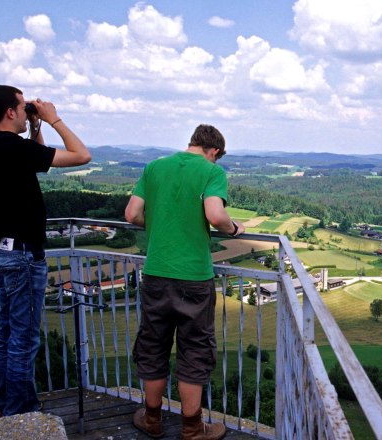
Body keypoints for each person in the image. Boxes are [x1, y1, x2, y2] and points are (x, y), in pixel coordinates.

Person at [0, 85, 91, 416]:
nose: (28, 110)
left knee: (7, 334)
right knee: (24, 340)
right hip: (24, 255)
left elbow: (37, 163)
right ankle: (20, 413)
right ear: (10, 112)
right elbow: (82, 155)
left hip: (4, 250)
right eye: (23, 106)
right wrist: (55, 119)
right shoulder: (12, 147)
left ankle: (2, 405)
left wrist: (36, 125)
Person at [125, 124, 244, 440]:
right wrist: (233, 229)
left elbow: (132, 213)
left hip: (156, 273)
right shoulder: (210, 171)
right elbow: (216, 215)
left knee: (153, 344)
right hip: (193, 278)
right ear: (214, 151)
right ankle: (192, 428)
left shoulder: (154, 167)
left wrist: (162, 223)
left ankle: (152, 420)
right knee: (193, 349)